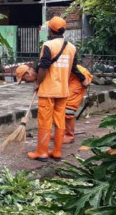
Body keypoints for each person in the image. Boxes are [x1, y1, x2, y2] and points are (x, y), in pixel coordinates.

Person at [22, 16, 88, 161]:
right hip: (63, 91)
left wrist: (38, 82)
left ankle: (42, 152)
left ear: (51, 30)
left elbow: (44, 67)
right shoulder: (72, 47)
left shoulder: (48, 45)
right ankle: (57, 152)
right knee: (60, 121)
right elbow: (74, 68)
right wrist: (83, 80)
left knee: (45, 121)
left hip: (48, 90)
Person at [16, 62, 92, 145]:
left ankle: (69, 135)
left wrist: (83, 79)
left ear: (27, 73)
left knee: (68, 107)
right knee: (58, 106)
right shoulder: (39, 72)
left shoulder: (43, 68)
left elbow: (72, 66)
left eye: (24, 79)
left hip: (78, 77)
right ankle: (60, 133)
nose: (26, 82)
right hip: (69, 79)